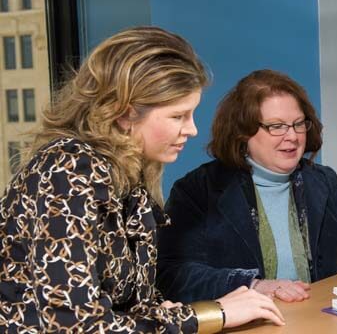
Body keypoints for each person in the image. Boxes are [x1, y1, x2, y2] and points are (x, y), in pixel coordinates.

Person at [0, 27, 284, 333]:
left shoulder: (129, 173)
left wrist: (164, 313)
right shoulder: (67, 170)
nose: (192, 130)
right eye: (178, 116)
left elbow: (130, 304)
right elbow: (73, 325)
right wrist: (212, 313)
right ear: (125, 114)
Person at [157, 69, 337, 303]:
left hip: (313, 317)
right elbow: (173, 273)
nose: (292, 136)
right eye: (276, 126)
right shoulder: (198, 189)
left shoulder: (321, 180)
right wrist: (252, 286)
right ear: (243, 133)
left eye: (298, 124)